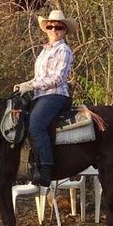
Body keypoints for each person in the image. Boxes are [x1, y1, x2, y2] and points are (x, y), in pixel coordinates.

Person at [14, 10, 75, 187]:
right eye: (50, 26)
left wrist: (32, 86)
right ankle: (28, 164)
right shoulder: (44, 50)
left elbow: (58, 78)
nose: (54, 29)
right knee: (19, 121)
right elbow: (39, 77)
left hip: (56, 94)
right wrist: (24, 84)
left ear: (64, 30)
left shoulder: (64, 50)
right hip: (40, 95)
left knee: (36, 124)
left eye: (59, 27)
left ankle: (46, 168)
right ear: (46, 29)